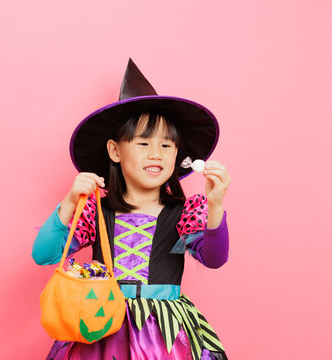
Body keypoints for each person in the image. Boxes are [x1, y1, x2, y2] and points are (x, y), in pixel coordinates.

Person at [32, 59, 231, 360]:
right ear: (115, 150)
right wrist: (71, 201)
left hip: (164, 334)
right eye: (143, 143)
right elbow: (43, 254)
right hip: (100, 324)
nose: (156, 154)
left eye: (166, 146)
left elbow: (215, 258)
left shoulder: (185, 211)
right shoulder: (95, 211)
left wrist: (215, 206)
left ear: (178, 154)